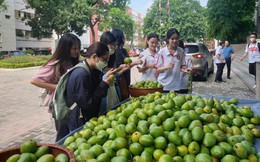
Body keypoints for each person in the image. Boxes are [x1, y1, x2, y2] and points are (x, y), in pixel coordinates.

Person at [31, 33, 80, 141]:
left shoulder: (71, 61)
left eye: (78, 48)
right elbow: (35, 80)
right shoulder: (55, 64)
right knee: (62, 134)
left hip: (70, 104)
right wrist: (56, 87)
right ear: (65, 48)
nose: (77, 51)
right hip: (60, 105)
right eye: (74, 48)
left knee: (70, 133)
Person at [66, 42, 116, 132]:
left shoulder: (91, 69)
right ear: (94, 57)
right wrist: (103, 85)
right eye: (104, 60)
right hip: (80, 120)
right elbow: (87, 103)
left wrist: (104, 79)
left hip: (86, 118)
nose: (106, 63)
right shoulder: (82, 74)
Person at [99, 31, 129, 115]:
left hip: (113, 91)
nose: (113, 48)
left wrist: (121, 70)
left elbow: (113, 76)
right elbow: (98, 79)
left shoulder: (112, 57)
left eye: (114, 45)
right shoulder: (97, 58)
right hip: (104, 94)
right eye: (111, 45)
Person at [111, 28, 142, 100]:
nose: (124, 37)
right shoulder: (117, 51)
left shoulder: (122, 50)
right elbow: (119, 67)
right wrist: (135, 63)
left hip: (126, 78)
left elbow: (127, 64)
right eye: (123, 35)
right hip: (121, 80)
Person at [155, 28, 189, 93]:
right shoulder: (162, 52)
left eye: (176, 38)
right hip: (163, 86)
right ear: (168, 39)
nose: (175, 41)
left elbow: (182, 66)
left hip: (176, 86)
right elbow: (157, 69)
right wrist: (167, 67)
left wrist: (185, 70)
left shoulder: (181, 51)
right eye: (172, 39)